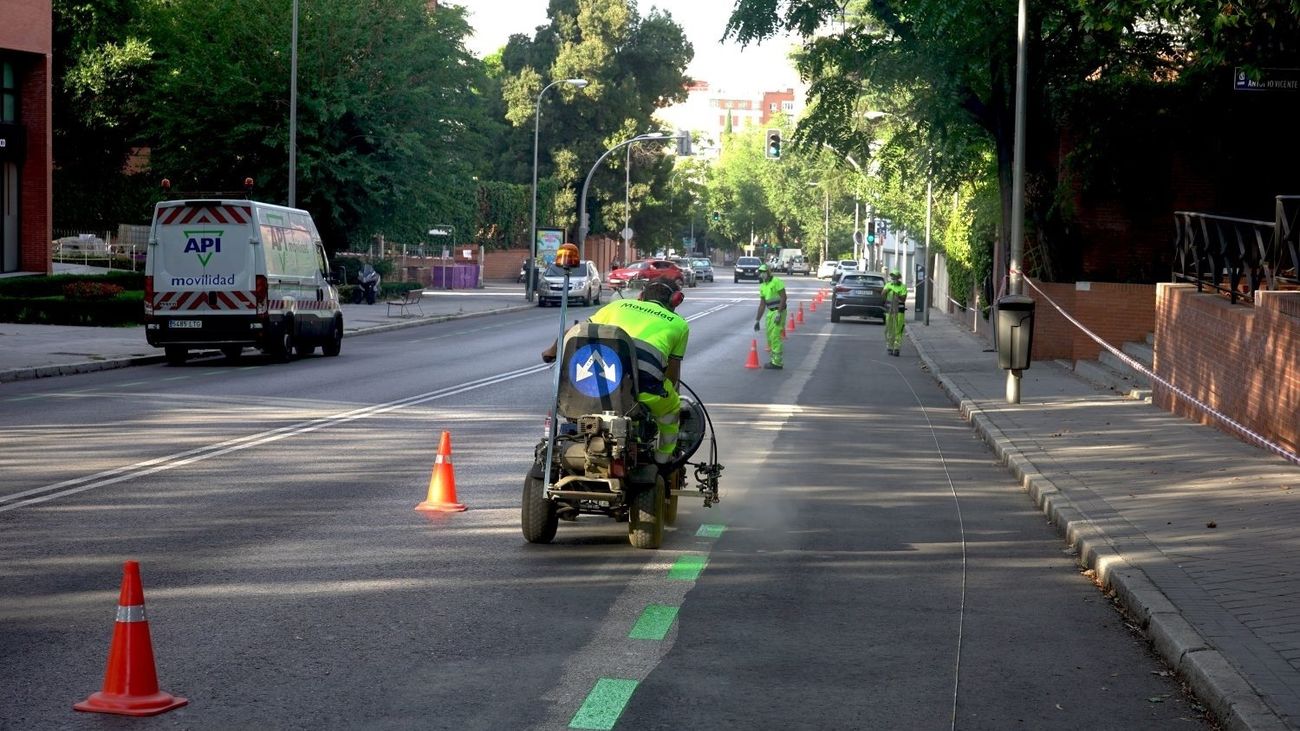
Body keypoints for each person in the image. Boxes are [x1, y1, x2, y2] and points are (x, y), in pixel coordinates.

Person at [542, 279, 689, 467]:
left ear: (641, 296)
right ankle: (663, 460)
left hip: (589, 387)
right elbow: (672, 376)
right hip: (640, 393)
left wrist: (552, 351)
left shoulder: (617, 305)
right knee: (671, 409)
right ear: (675, 301)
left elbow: (577, 330)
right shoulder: (679, 324)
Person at [753, 263, 787, 369]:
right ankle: (773, 359)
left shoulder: (776, 281)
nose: (762, 274)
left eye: (764, 272)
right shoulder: (762, 286)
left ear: (768, 272)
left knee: (775, 336)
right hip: (770, 312)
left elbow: (783, 297)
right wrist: (757, 320)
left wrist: (779, 313)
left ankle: (777, 362)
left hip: (779, 312)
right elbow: (762, 304)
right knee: (769, 337)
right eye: (761, 272)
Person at [883, 268, 907, 356]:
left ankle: (896, 348)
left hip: (899, 312)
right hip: (889, 311)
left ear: (899, 278)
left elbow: (904, 299)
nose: (894, 279)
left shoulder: (903, 287)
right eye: (892, 277)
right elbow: (882, 296)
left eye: (895, 277)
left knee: (898, 330)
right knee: (889, 329)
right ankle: (889, 346)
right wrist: (885, 292)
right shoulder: (888, 285)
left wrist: (897, 294)